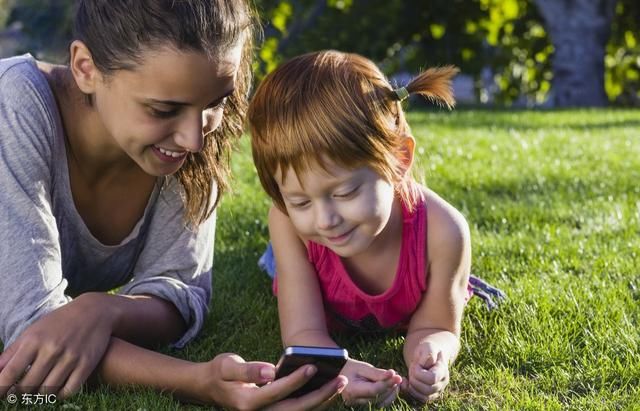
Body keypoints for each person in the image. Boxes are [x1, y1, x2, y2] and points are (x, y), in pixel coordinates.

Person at [0, 1, 346, 409]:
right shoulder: (14, 107)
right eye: (163, 110)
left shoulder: (189, 121)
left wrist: (101, 310)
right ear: (86, 68)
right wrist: (198, 381)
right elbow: (36, 335)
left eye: (215, 103)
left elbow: (181, 292)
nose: (194, 141)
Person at [248, 50, 505, 407]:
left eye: (346, 192)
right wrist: (339, 373)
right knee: (277, 259)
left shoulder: (444, 233)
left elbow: (437, 328)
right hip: (306, 258)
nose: (325, 219)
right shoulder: (290, 224)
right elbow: (305, 333)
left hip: (419, 251)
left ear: (399, 160)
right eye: (300, 200)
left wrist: (432, 354)